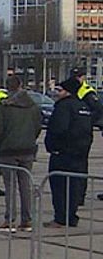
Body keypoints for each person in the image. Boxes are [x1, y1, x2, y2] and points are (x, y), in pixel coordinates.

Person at [0, 74, 41, 232]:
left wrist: (1, 141)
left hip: (8, 150)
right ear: (21, 85)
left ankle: (10, 220)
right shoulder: (33, 106)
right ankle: (27, 220)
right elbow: (37, 128)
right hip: (28, 149)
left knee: (10, 186)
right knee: (25, 186)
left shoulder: (3, 107)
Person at [45, 78, 94, 228]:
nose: (57, 93)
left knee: (60, 187)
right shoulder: (83, 107)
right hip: (80, 154)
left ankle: (60, 218)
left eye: (60, 90)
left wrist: (52, 147)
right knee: (74, 188)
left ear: (67, 91)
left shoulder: (64, 107)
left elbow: (58, 129)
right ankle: (71, 216)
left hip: (63, 154)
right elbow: (88, 131)